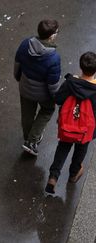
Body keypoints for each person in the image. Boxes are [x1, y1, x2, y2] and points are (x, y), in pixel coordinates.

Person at [45, 52, 96, 194]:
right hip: (85, 130)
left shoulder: (70, 82)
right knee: (80, 151)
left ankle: (53, 177)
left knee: (63, 148)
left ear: (81, 66)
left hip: (67, 126)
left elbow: (58, 99)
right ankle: (73, 174)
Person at [14, 19, 61, 156]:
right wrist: (57, 97)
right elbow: (52, 84)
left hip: (25, 87)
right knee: (47, 110)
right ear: (52, 36)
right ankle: (32, 140)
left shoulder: (25, 44)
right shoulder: (53, 57)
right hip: (43, 94)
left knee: (27, 114)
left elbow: (17, 65)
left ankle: (27, 137)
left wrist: (19, 78)